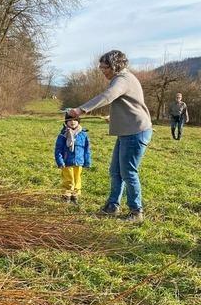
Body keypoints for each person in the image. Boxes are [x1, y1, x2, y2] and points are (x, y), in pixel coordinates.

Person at [67, 50, 152, 223]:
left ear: (115, 65)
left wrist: (81, 110)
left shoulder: (122, 79)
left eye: (104, 67)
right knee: (115, 171)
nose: (101, 70)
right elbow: (129, 104)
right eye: (101, 67)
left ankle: (136, 212)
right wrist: (115, 117)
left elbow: (108, 96)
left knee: (128, 172)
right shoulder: (123, 79)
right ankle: (112, 206)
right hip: (128, 131)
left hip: (136, 132)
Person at [54, 114, 91, 204]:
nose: (72, 122)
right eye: (70, 120)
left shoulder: (83, 134)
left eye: (75, 120)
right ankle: (66, 196)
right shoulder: (63, 135)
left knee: (77, 179)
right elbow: (58, 149)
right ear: (66, 122)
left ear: (78, 121)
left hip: (79, 162)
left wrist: (87, 161)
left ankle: (75, 195)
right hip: (67, 162)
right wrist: (60, 161)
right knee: (68, 180)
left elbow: (87, 149)